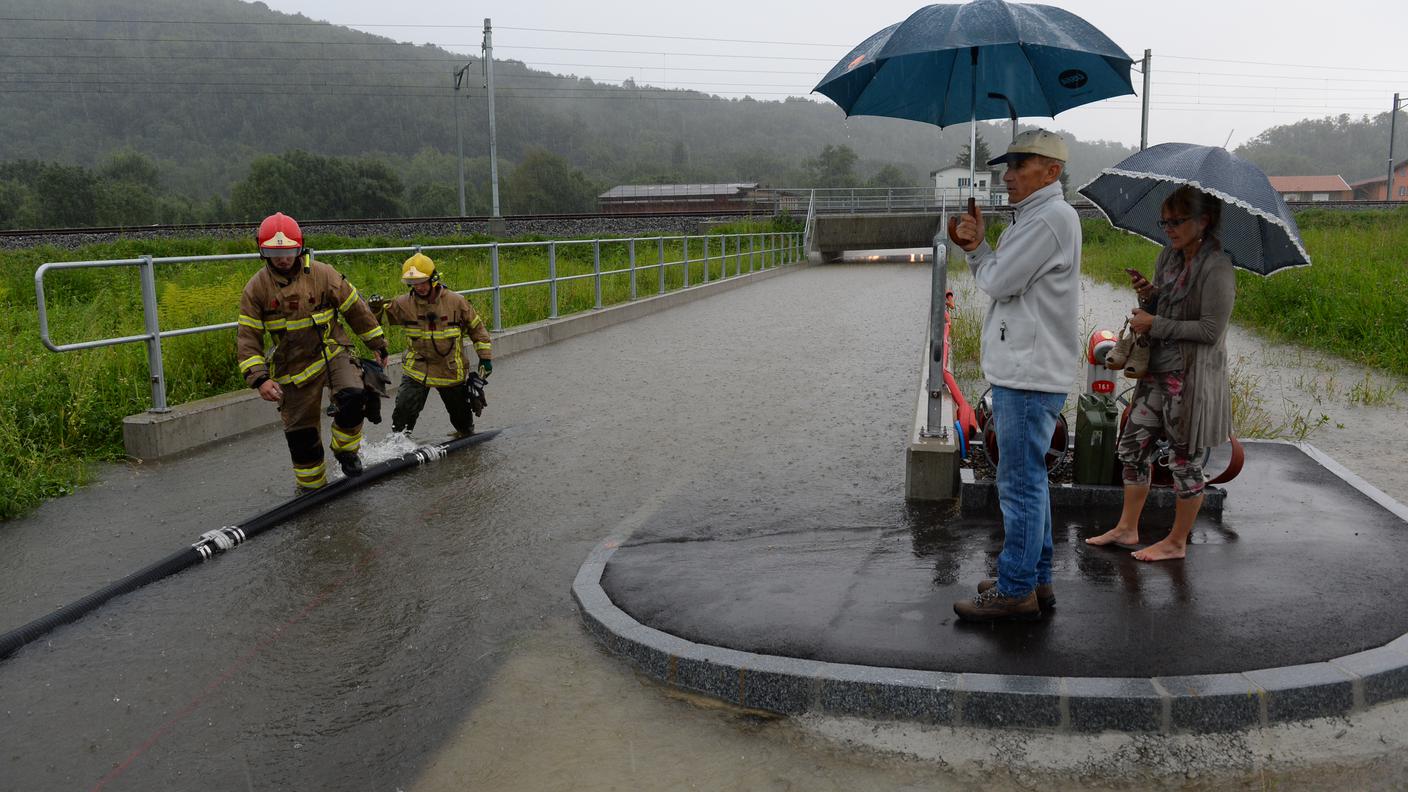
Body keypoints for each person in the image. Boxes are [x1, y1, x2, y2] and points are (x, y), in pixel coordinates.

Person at [947, 129, 1082, 622]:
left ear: (1052, 170)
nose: (1007, 175)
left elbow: (1000, 282)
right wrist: (982, 245)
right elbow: (1004, 276)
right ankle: (1034, 576)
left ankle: (1016, 589)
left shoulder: (1047, 220)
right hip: (1029, 370)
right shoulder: (1037, 218)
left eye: (1019, 164)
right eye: (1007, 165)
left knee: (1020, 485)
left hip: (1027, 375)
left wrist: (978, 252)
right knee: (1031, 482)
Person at [1085, 186, 1234, 561]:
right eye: (1164, 221)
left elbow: (1210, 331)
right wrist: (1149, 296)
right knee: (1131, 448)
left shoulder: (1218, 267)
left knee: (1185, 460)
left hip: (1191, 378)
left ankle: (1177, 541)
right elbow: (1163, 309)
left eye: (1177, 221)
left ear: (1204, 220)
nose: (1168, 228)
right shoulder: (1168, 257)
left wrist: (1157, 321)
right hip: (1156, 370)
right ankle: (1127, 527)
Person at [237, 212, 389, 493]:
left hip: (331, 353)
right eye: (273, 252)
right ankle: (312, 491)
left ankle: (345, 450)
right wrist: (259, 379)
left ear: (301, 247)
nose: (283, 259)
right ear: (262, 251)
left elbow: (355, 308)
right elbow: (248, 337)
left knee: (354, 395)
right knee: (302, 437)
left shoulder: (323, 274)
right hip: (291, 369)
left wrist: (377, 344)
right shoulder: (256, 288)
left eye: (289, 252)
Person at [379, 253, 493, 437]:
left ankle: (465, 433)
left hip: (448, 368)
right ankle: (399, 442)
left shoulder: (456, 302)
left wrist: (485, 358)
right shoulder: (402, 304)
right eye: (414, 284)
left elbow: (477, 329)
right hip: (417, 368)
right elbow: (375, 322)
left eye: (422, 282)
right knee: (404, 408)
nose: (419, 288)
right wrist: (374, 309)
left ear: (434, 279)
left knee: (461, 417)